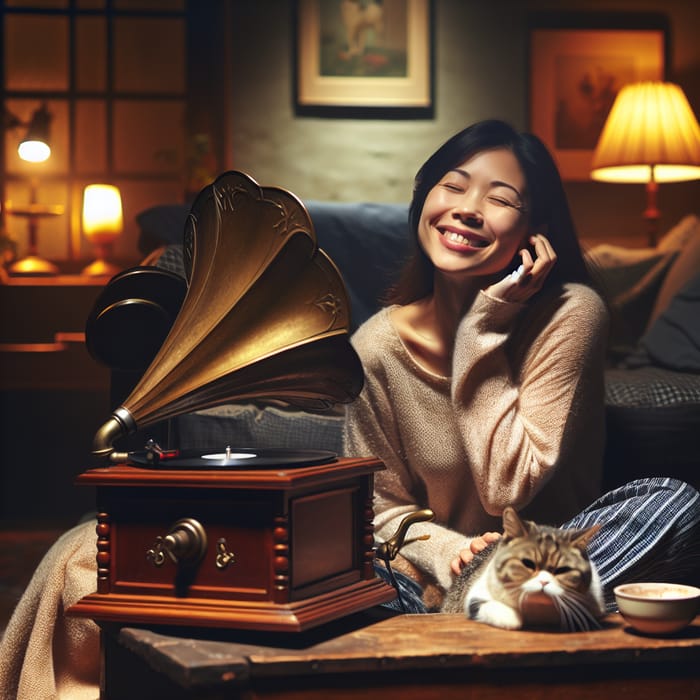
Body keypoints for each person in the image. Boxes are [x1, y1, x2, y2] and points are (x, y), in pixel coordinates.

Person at [344, 119, 700, 612]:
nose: (467, 209)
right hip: (436, 583)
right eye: (453, 186)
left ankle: (483, 614)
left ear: (536, 233)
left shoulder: (572, 313)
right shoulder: (375, 348)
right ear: (423, 201)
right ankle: (487, 613)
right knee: (350, 578)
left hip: (546, 571)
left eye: (501, 199)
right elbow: (380, 509)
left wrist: (481, 331)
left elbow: (504, 491)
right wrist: (449, 550)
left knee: (672, 503)